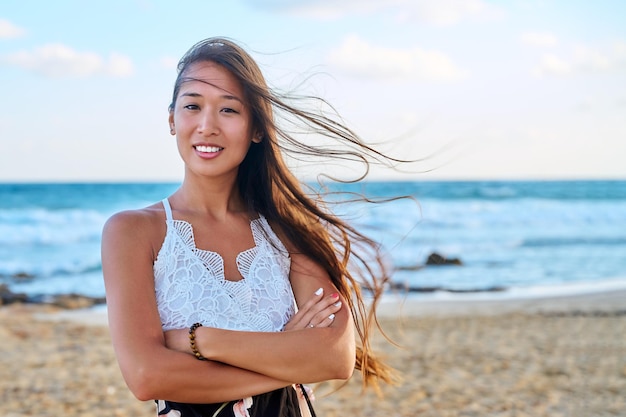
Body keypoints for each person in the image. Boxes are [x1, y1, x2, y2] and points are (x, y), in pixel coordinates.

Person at [102, 37, 396, 417]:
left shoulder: (287, 233)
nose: (207, 126)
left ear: (256, 128)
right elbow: (146, 376)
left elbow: (335, 358)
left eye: (229, 110)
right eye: (192, 106)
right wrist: (286, 355)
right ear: (172, 119)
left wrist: (198, 340)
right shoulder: (133, 232)